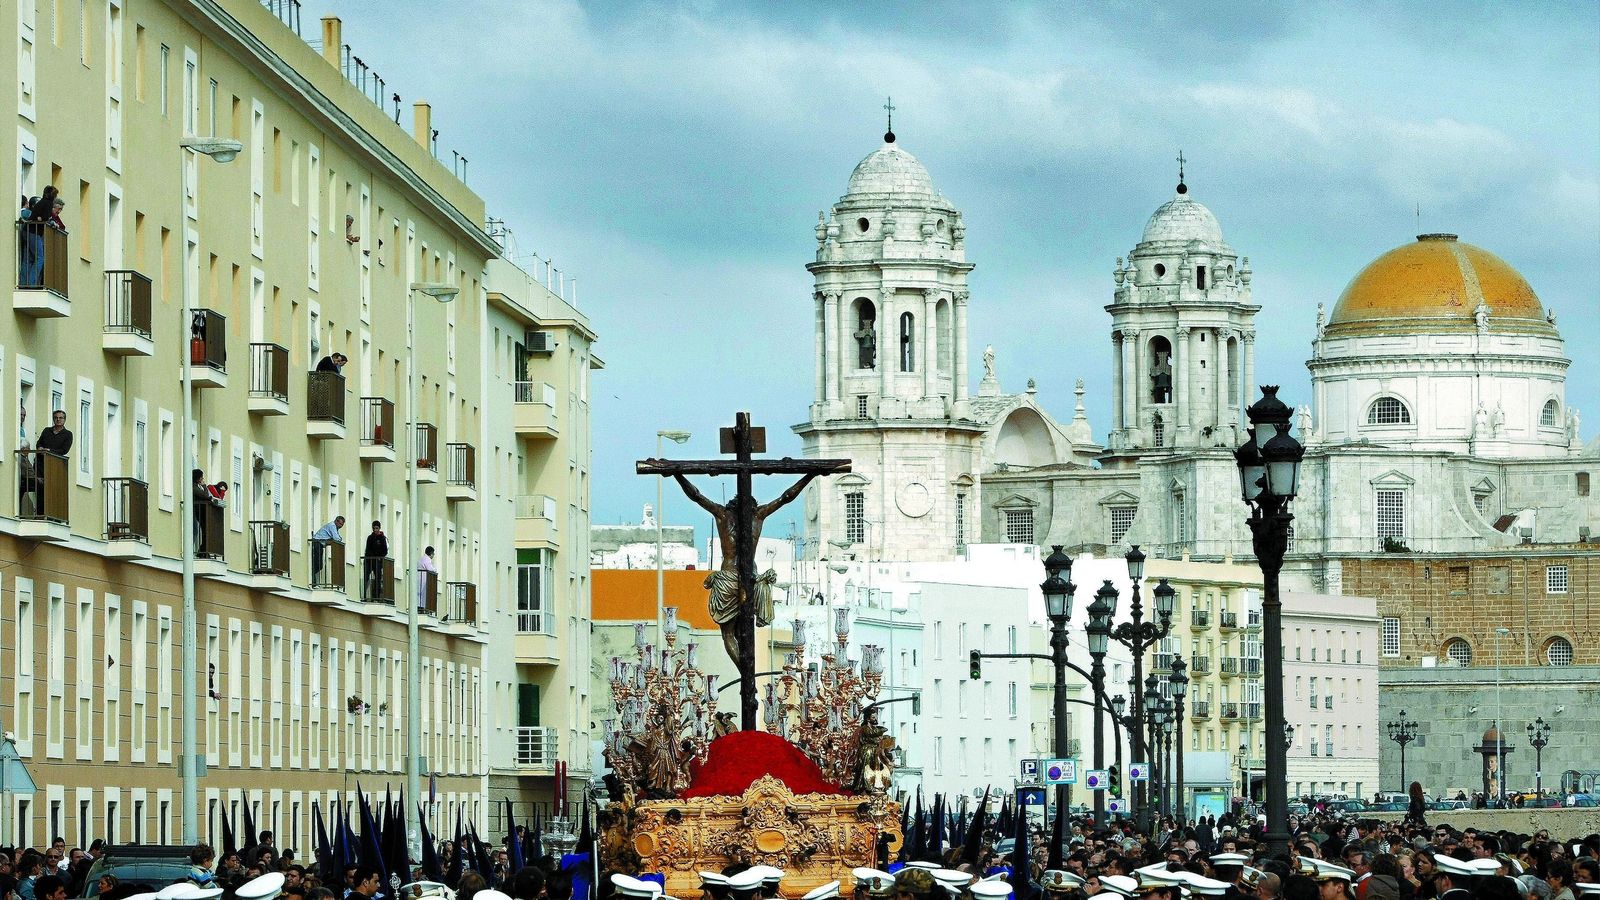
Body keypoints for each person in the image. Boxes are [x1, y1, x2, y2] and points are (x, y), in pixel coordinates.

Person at [311, 515, 344, 583]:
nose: (341, 526)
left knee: (319, 565)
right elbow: (337, 538)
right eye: (340, 524)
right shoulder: (332, 526)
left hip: (319, 544)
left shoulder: (334, 527)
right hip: (317, 543)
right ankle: (313, 581)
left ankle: (314, 580)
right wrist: (338, 538)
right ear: (336, 521)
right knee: (317, 564)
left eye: (342, 525)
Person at [363, 520, 388, 600]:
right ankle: (364, 594)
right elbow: (368, 549)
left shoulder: (382, 538)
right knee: (366, 577)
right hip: (369, 560)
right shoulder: (370, 537)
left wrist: (379, 557)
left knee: (377, 578)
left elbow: (385, 550)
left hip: (378, 561)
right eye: (374, 528)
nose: (375, 530)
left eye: (376, 528)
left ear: (379, 528)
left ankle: (376, 596)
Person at [418, 545, 438, 610]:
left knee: (420, 594)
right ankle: (421, 608)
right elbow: (430, 568)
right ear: (431, 554)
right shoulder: (427, 559)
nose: (433, 555)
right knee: (422, 595)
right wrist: (435, 570)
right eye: (433, 554)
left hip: (420, 578)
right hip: (423, 579)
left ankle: (420, 607)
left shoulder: (422, 558)